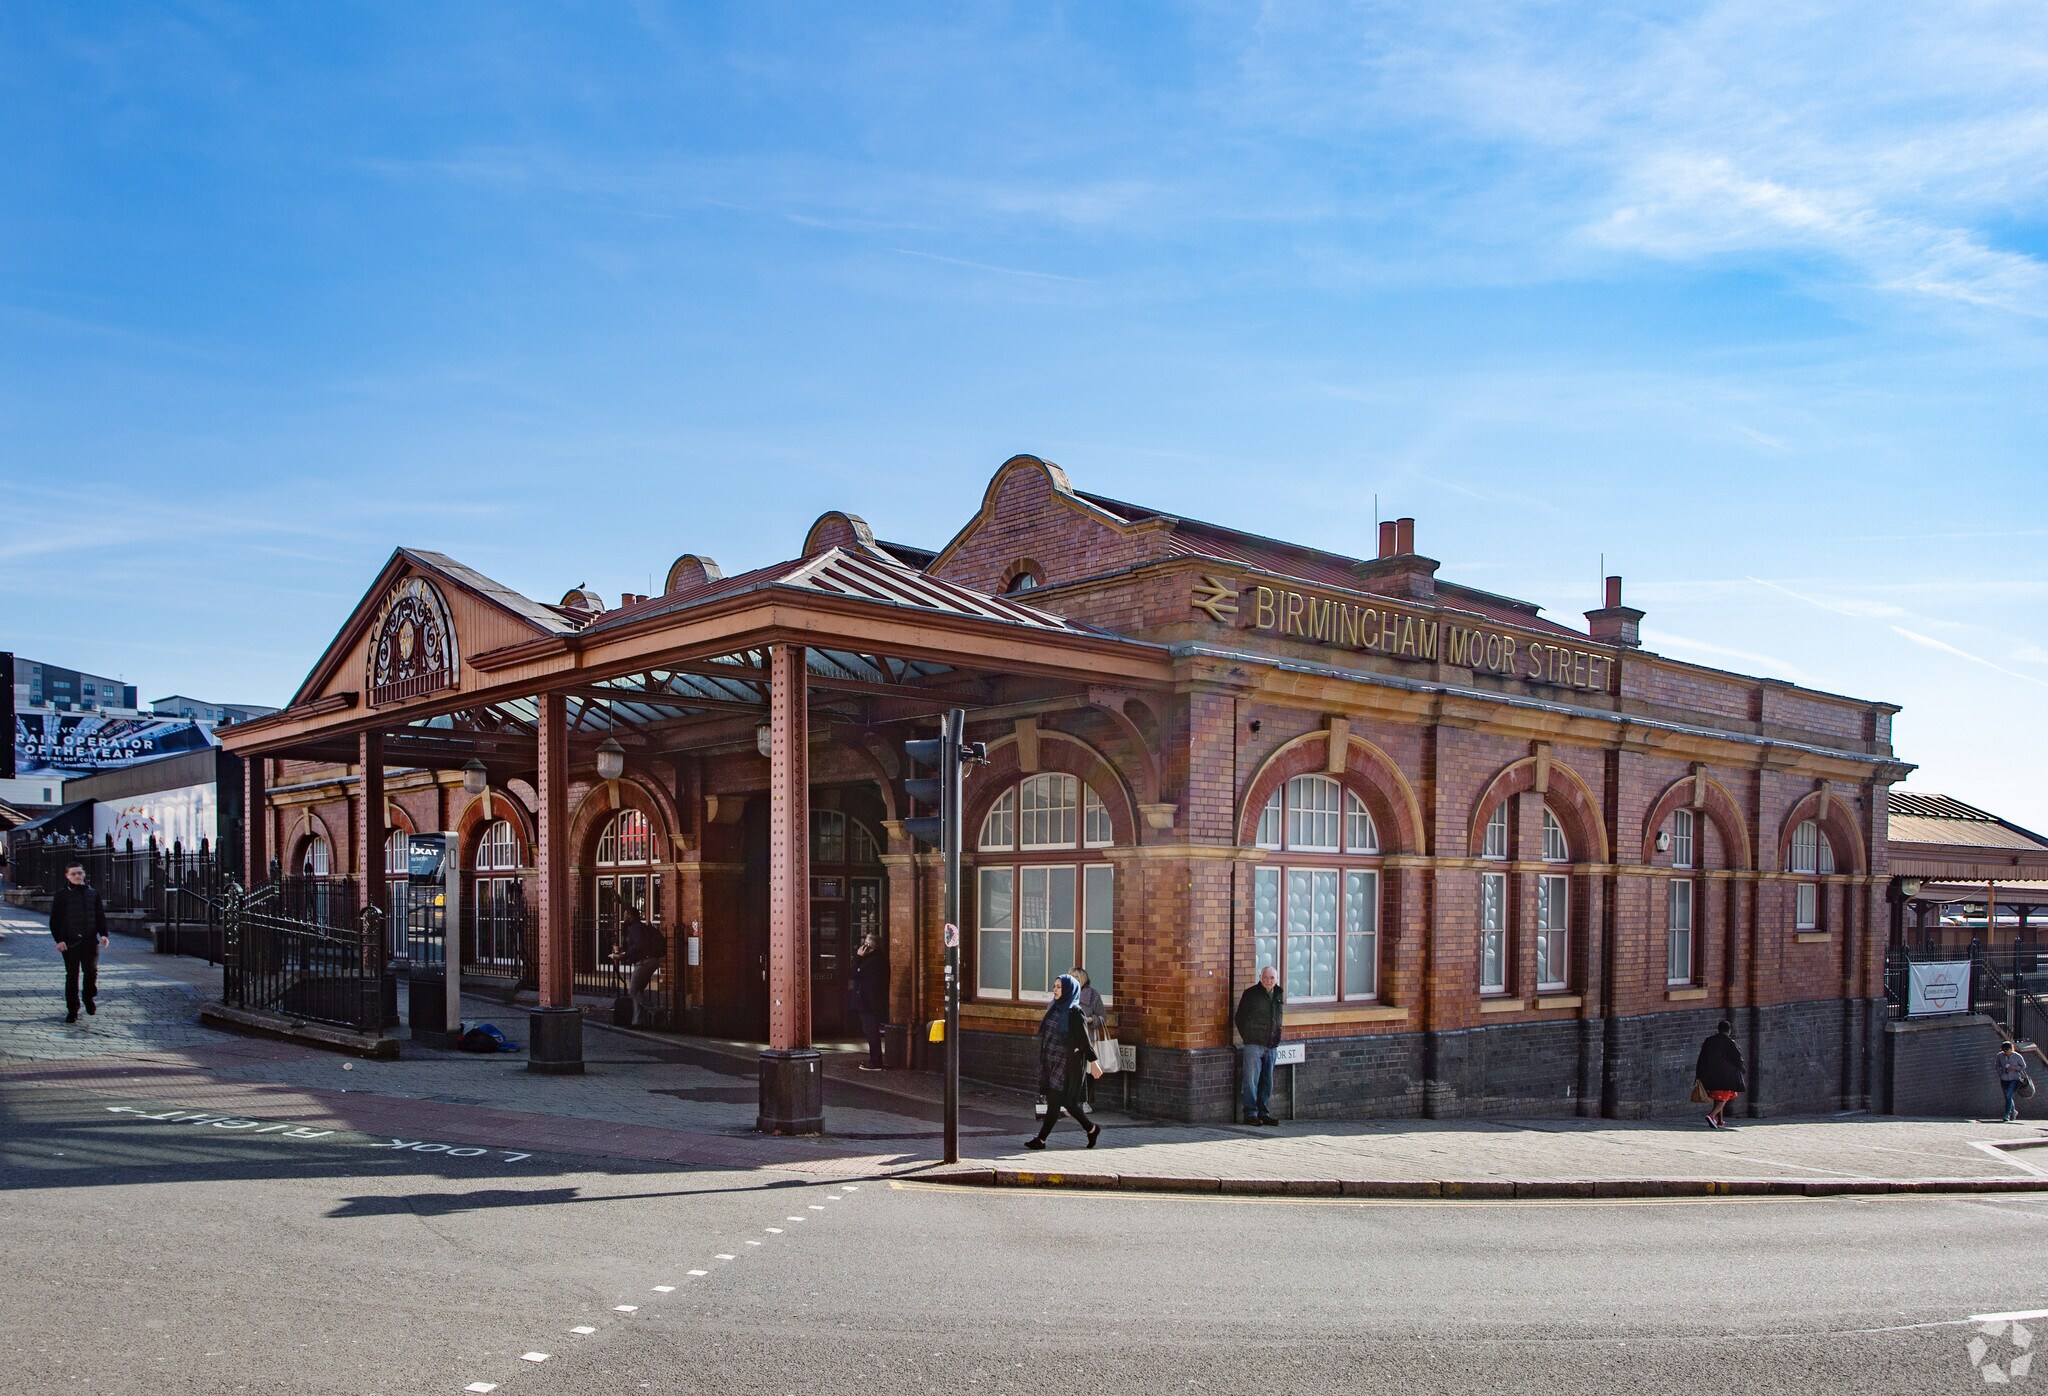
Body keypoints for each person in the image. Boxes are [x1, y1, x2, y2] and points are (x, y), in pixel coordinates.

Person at [1026, 973, 1101, 1150]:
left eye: (1059, 987)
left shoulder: (1075, 1012)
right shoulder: (1055, 1008)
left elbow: (1084, 1040)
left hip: (1066, 1064)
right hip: (1051, 1061)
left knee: (1056, 1101)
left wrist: (1094, 1062)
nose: (1055, 990)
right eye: (1054, 986)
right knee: (1067, 1103)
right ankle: (1092, 1129)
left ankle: (1041, 1140)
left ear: (1069, 989)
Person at [49, 860, 109, 1025]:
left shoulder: (93, 892)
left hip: (90, 941)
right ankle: (73, 1010)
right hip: (70, 942)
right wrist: (59, 940)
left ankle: (88, 997)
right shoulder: (62, 895)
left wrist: (103, 934)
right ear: (67, 876)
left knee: (91, 973)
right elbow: (55, 920)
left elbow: (100, 916)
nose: (77, 876)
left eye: (79, 873)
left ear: (84, 874)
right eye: (73, 873)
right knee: (72, 976)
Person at [1234, 965, 1284, 1126]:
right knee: (1251, 1080)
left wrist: (1277, 1036)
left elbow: (1278, 1017)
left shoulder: (1278, 994)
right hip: (1254, 1044)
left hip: (1271, 1044)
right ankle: (1250, 1113)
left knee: (1267, 1080)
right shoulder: (1250, 994)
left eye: (1271, 978)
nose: (1268, 981)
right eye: (1265, 977)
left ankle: (1263, 1112)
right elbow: (1240, 1018)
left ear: (1276, 979)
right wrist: (1248, 1037)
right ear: (1260, 978)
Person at [607, 907, 666, 1028]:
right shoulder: (640, 927)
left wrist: (622, 956)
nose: (623, 918)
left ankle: (656, 1010)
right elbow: (640, 945)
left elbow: (640, 945)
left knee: (633, 991)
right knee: (638, 992)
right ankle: (637, 1022)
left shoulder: (635, 927)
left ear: (630, 915)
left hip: (645, 962)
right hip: (650, 960)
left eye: (625, 915)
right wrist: (622, 951)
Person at [1694, 1019, 1747, 1129]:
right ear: (1729, 1031)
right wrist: (1742, 1069)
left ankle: (1720, 1121)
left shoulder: (1709, 1041)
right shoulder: (1730, 1042)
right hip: (1726, 1076)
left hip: (1710, 1075)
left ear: (1718, 1029)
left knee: (1718, 1097)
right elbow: (1737, 1058)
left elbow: (1701, 1058)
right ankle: (1711, 1115)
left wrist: (1698, 1074)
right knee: (1723, 1098)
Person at [850, 932, 889, 1071]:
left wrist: (859, 957)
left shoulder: (874, 961)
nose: (862, 946)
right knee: (870, 1032)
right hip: (870, 1002)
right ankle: (874, 1060)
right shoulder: (876, 959)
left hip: (869, 1003)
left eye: (865, 943)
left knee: (871, 1032)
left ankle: (875, 1062)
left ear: (869, 946)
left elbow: (854, 973)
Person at [1071, 966, 1108, 1104]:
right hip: (1068, 1039)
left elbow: (1103, 1017)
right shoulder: (1063, 993)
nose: (1072, 980)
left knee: (1086, 1072)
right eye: (1070, 977)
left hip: (1087, 1039)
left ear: (1082, 980)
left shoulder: (1093, 995)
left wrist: (1091, 1020)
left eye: (1076, 977)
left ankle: (1084, 1101)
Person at [1998, 1040, 2029, 1123]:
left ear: (2011, 1049)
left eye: (2006, 1050)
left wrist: (2014, 1068)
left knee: (2008, 1095)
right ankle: (2014, 1111)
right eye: (2003, 1050)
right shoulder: (2000, 1056)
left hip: (2014, 1079)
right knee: (2007, 1097)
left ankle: (2006, 1115)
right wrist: (2001, 1073)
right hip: (2004, 1079)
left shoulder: (2017, 1056)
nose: (2005, 1052)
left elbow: (2023, 1066)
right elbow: (1997, 1065)